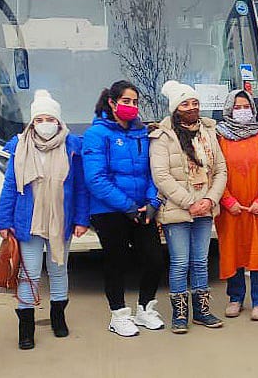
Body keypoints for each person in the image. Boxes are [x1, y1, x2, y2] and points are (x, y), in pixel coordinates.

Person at [0, 90, 90, 349]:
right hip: (29, 221)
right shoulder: (19, 146)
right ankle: (26, 328)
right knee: (30, 273)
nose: (45, 124)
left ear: (58, 121)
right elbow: (10, 185)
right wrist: (3, 221)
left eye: (50, 119)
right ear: (32, 122)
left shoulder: (72, 146)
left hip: (62, 220)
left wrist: (82, 219)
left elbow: (80, 187)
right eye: (39, 119)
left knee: (59, 269)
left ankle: (58, 318)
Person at [83, 80, 164, 337]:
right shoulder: (96, 135)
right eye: (126, 101)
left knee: (154, 259)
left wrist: (153, 202)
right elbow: (95, 178)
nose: (131, 106)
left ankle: (145, 309)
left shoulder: (141, 132)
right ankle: (118, 315)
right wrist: (127, 206)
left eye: (135, 102)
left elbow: (153, 170)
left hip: (142, 208)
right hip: (110, 211)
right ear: (112, 102)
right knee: (116, 262)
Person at [150, 81, 227, 333]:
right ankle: (179, 315)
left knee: (201, 261)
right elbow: (161, 176)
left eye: (195, 103)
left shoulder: (208, 132)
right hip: (177, 209)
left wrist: (209, 200)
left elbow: (220, 170)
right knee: (181, 262)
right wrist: (190, 202)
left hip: (205, 207)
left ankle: (202, 312)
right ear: (175, 108)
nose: (192, 108)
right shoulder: (163, 136)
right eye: (185, 104)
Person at [215, 90, 258, 322]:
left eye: (245, 106)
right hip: (231, 207)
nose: (242, 111)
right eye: (237, 107)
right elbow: (214, 171)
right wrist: (228, 200)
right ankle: (235, 297)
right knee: (233, 250)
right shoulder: (219, 136)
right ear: (229, 109)